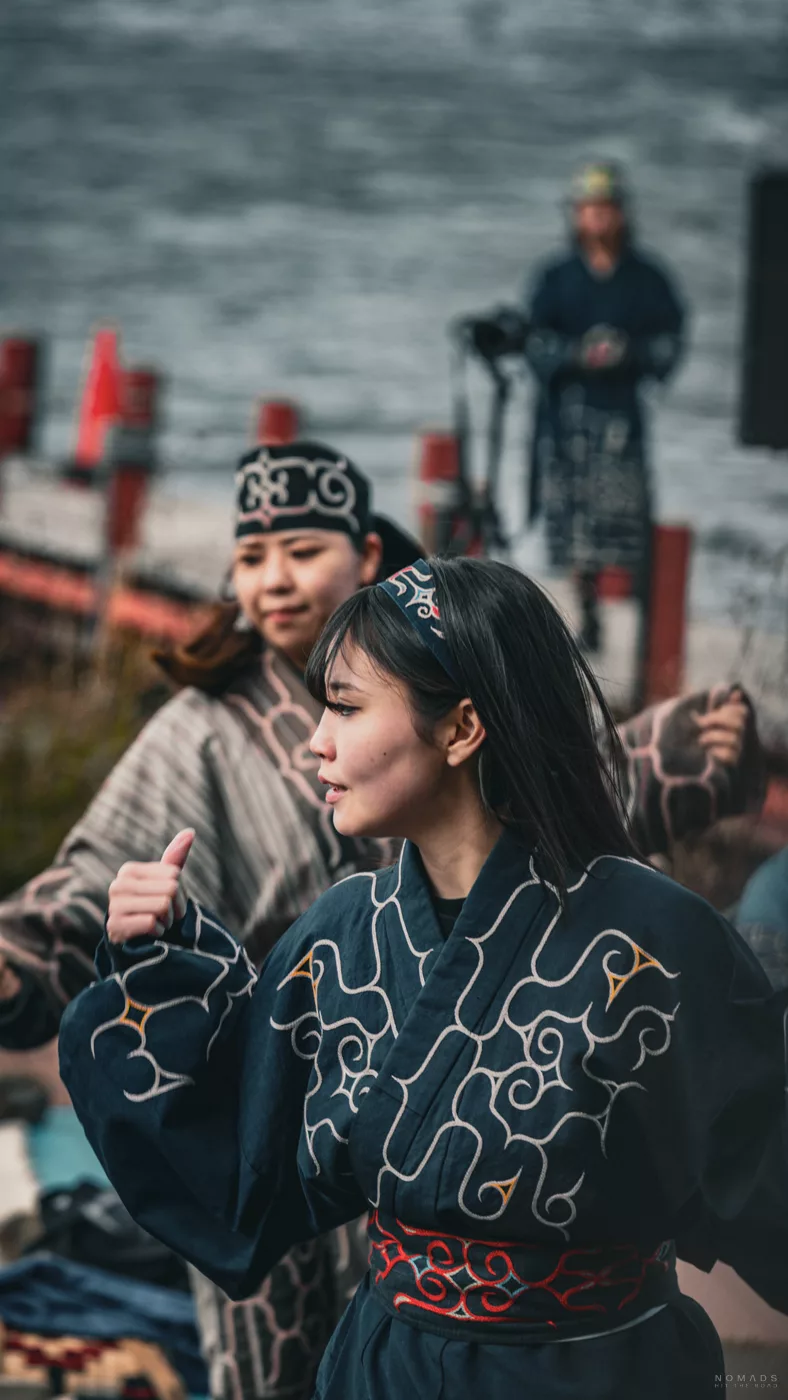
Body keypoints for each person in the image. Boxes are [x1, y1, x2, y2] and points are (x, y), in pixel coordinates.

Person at [59, 556, 787, 1400]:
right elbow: (244, 1159)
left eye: (345, 705)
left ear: (461, 728)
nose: (316, 740)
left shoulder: (659, 944)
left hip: (598, 1371)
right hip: (386, 1369)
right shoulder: (340, 938)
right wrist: (162, 960)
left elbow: (764, 1174)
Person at [0, 440, 422, 1400]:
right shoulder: (196, 728)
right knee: (263, 1370)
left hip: (420, 1102)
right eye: (251, 556)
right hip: (256, 1109)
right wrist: (17, 958)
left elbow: (545, 810)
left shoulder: (432, 688)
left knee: (412, 1359)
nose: (272, 580)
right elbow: (87, 888)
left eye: (303, 550)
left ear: (364, 552)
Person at [524, 161, 686, 652]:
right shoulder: (554, 277)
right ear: (576, 215)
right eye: (588, 209)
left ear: (620, 214)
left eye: (605, 209)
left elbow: (670, 339)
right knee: (574, 529)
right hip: (565, 419)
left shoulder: (648, 277)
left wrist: (628, 354)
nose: (596, 219)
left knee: (628, 522)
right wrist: (574, 354)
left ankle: (643, 625)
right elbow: (532, 340)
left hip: (621, 420)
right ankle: (589, 615)